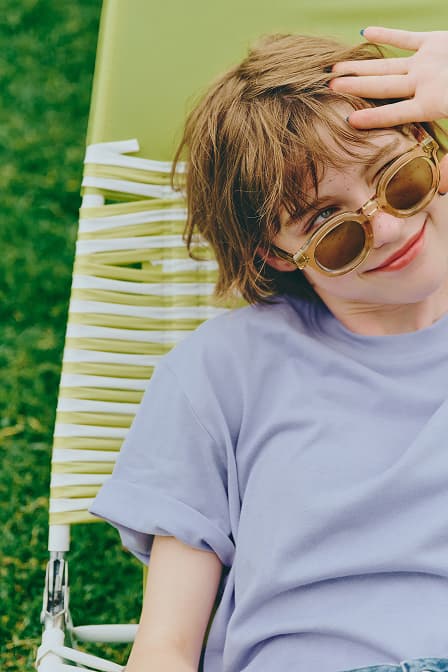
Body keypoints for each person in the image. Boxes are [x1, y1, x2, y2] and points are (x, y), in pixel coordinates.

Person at [90, 27, 448, 672]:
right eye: (328, 223)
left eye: (399, 177)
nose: (390, 226)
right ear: (275, 253)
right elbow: (165, 645)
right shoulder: (221, 372)